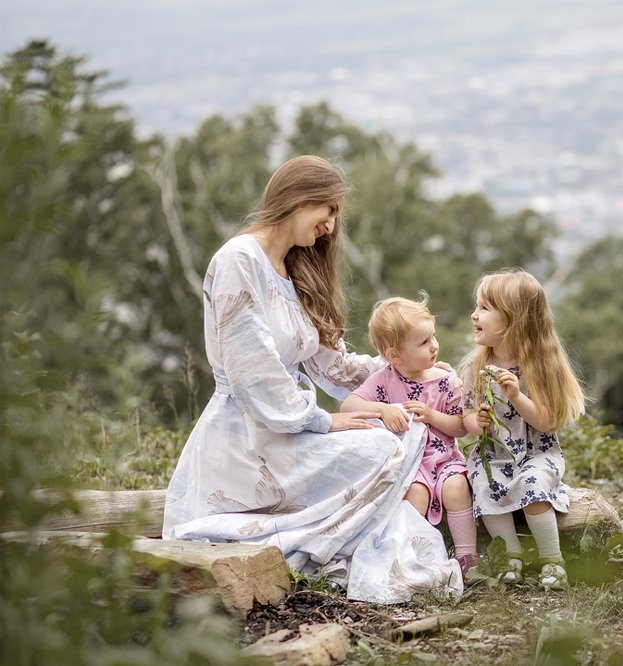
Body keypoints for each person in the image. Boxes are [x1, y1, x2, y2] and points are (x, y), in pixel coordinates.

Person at [161, 155, 462, 603]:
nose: (331, 226)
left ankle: (331, 536)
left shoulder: (292, 270)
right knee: (382, 444)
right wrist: (323, 420)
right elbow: (253, 370)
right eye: (330, 210)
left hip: (289, 426)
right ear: (300, 198)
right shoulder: (239, 260)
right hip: (249, 435)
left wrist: (406, 370)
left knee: (391, 435)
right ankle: (304, 543)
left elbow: (331, 365)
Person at [460, 268, 586, 591]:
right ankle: (510, 555)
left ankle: (552, 559)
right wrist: (478, 421)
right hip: (496, 454)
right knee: (483, 482)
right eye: (477, 307)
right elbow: (466, 416)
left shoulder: (539, 367)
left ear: (513, 319)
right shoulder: (478, 367)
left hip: (537, 454)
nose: (474, 315)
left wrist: (516, 396)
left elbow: (547, 421)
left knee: (532, 483)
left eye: (485, 308)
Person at [340, 295, 479, 580]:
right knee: (415, 496)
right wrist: (382, 408)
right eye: (424, 342)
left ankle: (467, 557)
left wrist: (431, 415)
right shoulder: (384, 380)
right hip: (410, 467)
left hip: (444, 460)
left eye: (433, 337)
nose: (434, 346)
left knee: (456, 488)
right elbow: (348, 406)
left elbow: (460, 427)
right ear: (394, 356)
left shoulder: (445, 381)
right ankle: (409, 556)